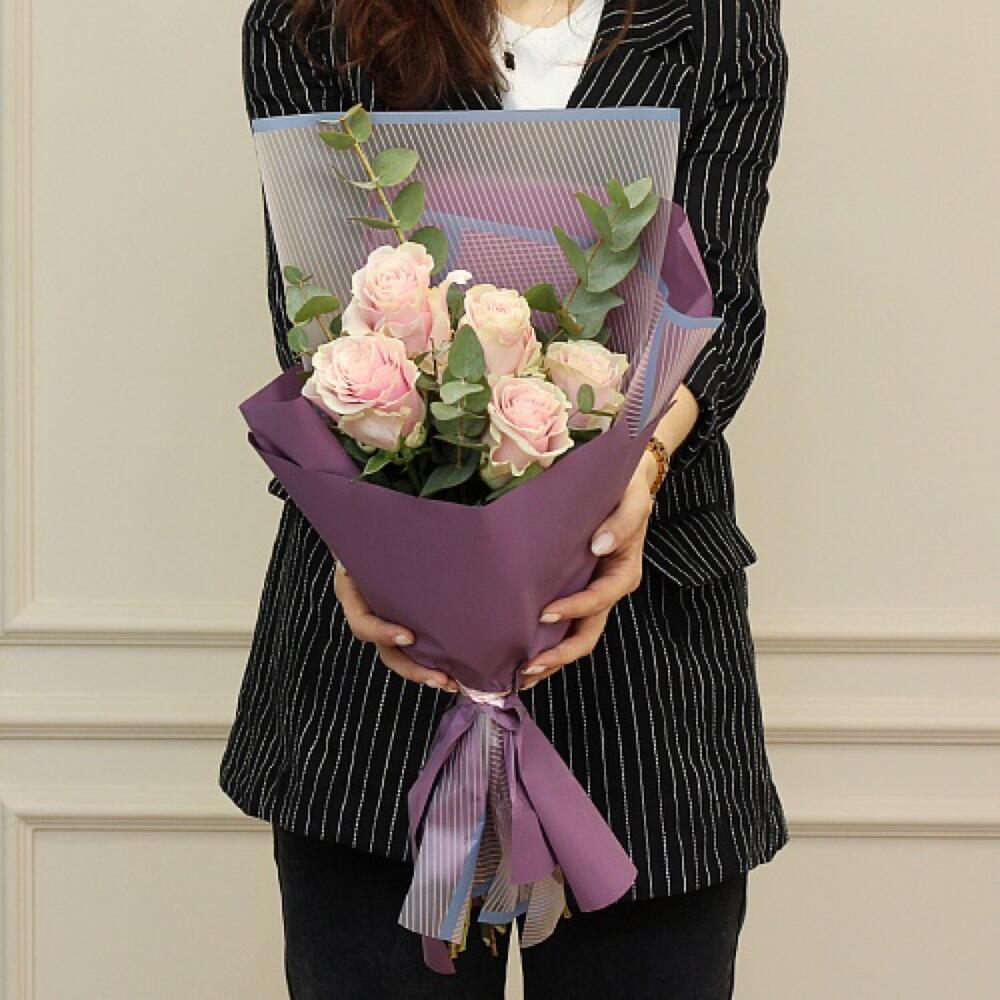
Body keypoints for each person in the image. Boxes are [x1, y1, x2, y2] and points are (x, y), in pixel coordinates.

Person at [220, 1, 791, 996]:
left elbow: (721, 302)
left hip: (646, 666)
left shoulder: (716, 17)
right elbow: (315, 314)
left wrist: (640, 474)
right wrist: (375, 549)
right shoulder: (309, 17)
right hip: (379, 674)